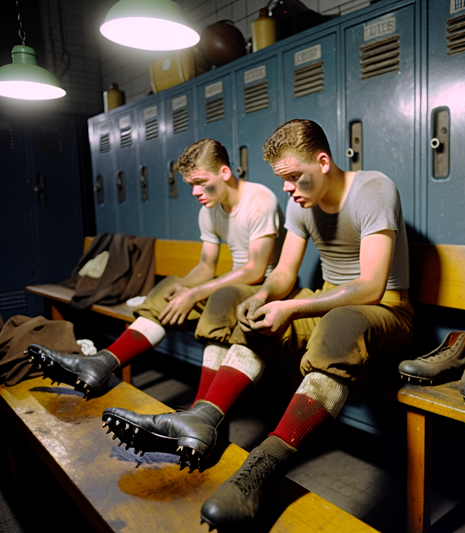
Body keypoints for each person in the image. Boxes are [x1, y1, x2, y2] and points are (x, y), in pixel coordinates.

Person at [102, 119, 414, 529]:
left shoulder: (373, 189)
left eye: (294, 177)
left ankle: (263, 470)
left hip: (386, 310)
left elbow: (371, 287)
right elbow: (284, 274)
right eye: (282, 180)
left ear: (323, 162)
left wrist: (292, 309)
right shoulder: (302, 203)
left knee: (338, 326)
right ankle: (203, 419)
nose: (288, 189)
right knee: (253, 320)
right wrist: (264, 297)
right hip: (330, 300)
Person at [27, 138, 284, 401]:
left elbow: (255, 270)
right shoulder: (209, 208)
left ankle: (201, 409)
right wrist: (183, 288)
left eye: (200, 182)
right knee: (170, 286)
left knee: (218, 298)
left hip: (266, 286)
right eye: (190, 185)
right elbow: (206, 267)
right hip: (235, 283)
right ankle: (103, 363)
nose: (195, 192)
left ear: (225, 173)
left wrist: (194, 295)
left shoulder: (259, 200)